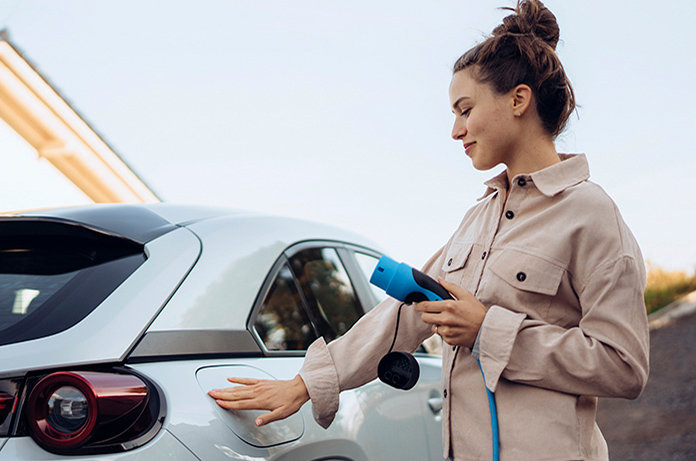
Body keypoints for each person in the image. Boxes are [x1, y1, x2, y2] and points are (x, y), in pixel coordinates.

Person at [208, 1, 650, 459]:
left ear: (518, 100)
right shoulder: (478, 219)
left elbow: (623, 365)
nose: (455, 131)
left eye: (464, 109)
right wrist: (306, 383)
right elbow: (406, 313)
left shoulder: (590, 214)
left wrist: (489, 331)